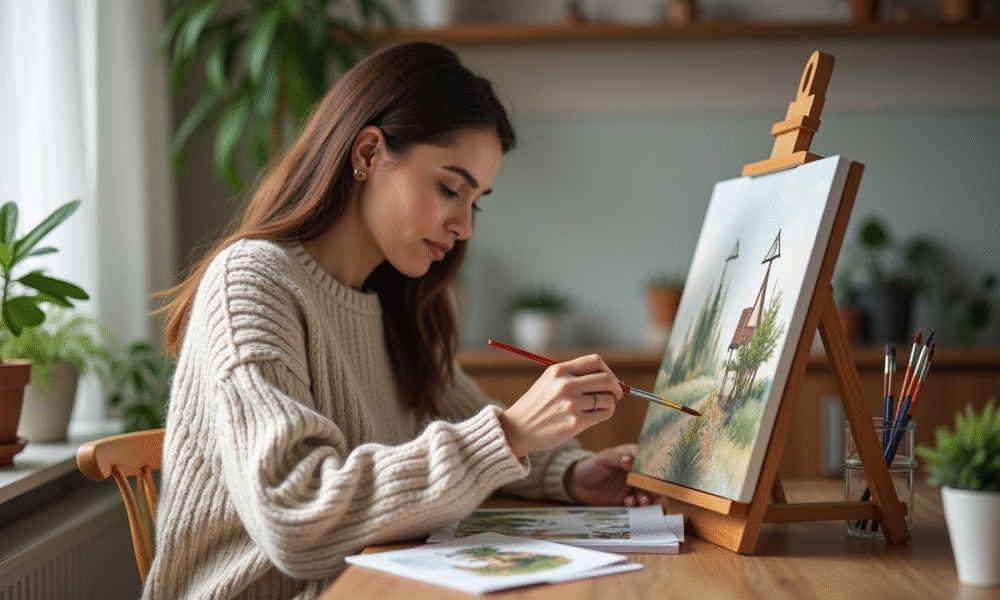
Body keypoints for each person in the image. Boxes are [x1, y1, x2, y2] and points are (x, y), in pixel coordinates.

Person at [147, 41, 654, 600]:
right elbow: (298, 518)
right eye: (450, 188)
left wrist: (570, 474)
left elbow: (473, 431)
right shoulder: (252, 282)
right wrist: (510, 433)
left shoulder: (397, 305)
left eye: (476, 201)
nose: (463, 225)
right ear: (367, 152)